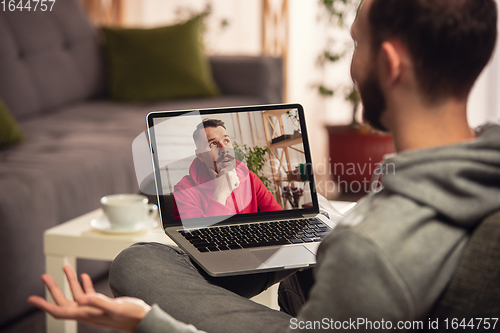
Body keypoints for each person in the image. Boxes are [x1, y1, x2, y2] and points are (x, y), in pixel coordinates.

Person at [28, 0, 500, 332]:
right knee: (305, 238)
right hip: (368, 288)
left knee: (137, 261)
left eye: (358, 43)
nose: (353, 65)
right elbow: (274, 214)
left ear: (391, 64)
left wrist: (148, 324)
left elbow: (363, 247)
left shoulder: (368, 249)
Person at [173, 118, 282, 220]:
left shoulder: (251, 178)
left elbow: (279, 219)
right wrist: (221, 192)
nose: (224, 149)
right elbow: (195, 236)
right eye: (213, 144)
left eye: (226, 141)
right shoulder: (183, 189)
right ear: (200, 155)